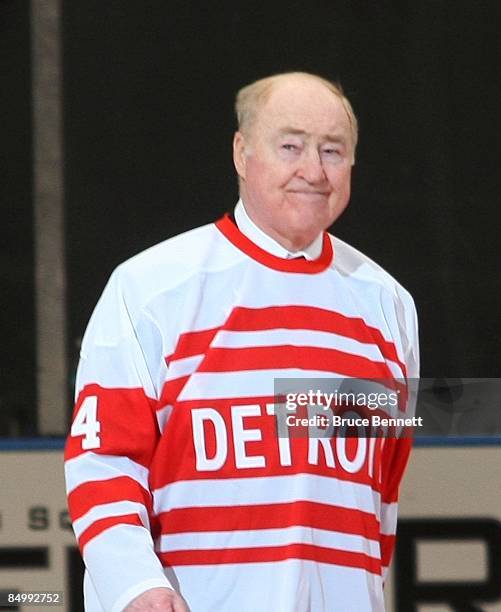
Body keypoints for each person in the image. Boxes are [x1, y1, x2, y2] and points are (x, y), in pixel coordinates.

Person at [65, 71, 419, 612]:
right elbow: (103, 462)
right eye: (290, 146)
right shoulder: (152, 287)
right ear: (241, 152)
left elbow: (380, 491)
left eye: (333, 150)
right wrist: (136, 587)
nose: (313, 170)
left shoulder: (388, 306)